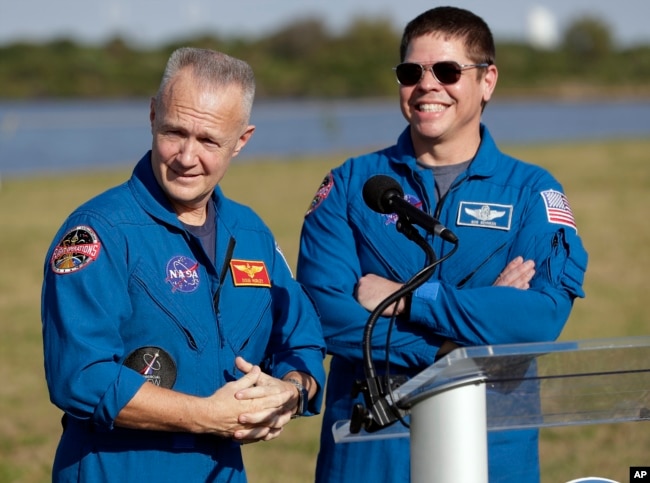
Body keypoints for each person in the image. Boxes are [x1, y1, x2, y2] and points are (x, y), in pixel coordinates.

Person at [297, 6, 588, 483]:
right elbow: (324, 313)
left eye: (448, 71)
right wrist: (451, 352)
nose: (427, 85)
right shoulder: (350, 185)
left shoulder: (532, 192)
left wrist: (411, 301)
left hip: (492, 452)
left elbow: (538, 318)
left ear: (487, 81)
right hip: (371, 452)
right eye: (412, 72)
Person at [41, 47, 326, 483]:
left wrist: (290, 391)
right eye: (175, 132)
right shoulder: (98, 232)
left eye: (210, 140)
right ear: (153, 115)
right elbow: (80, 376)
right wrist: (206, 416)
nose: (187, 157)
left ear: (242, 140)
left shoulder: (251, 234)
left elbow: (301, 342)